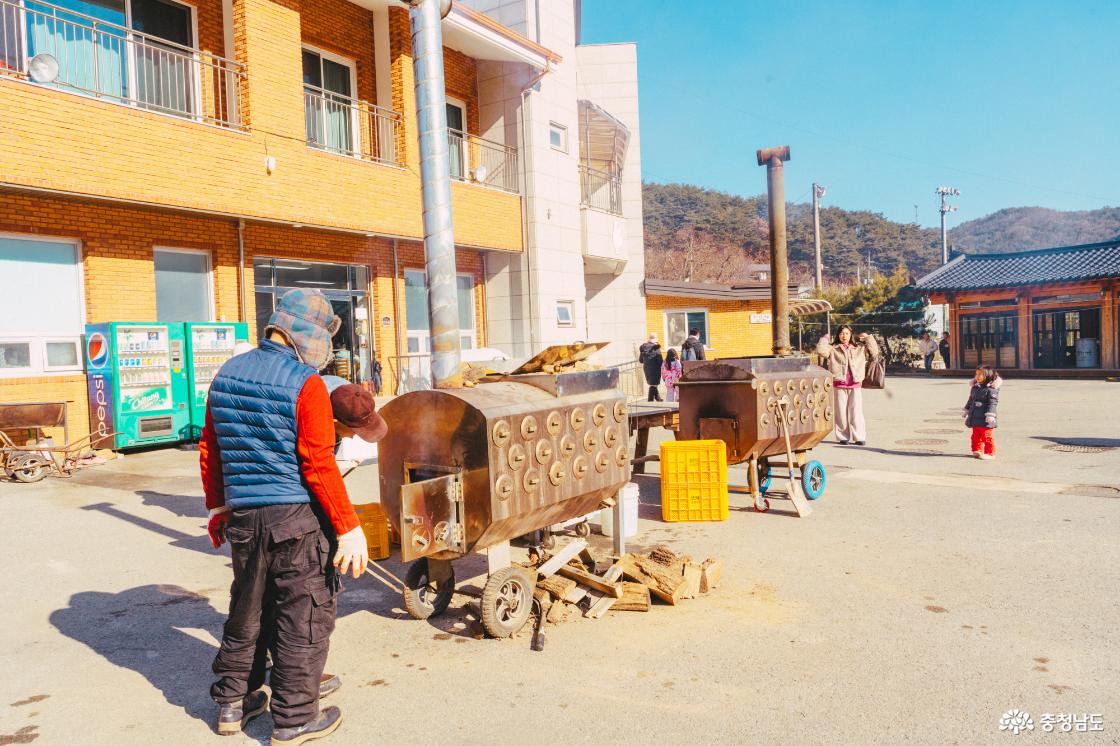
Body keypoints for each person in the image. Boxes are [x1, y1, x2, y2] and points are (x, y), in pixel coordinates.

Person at [201, 288, 369, 744]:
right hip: (294, 519)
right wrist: (349, 528)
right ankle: (295, 718)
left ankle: (234, 702)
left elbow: (211, 448)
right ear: (308, 336)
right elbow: (318, 464)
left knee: (248, 608)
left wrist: (218, 507)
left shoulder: (227, 374)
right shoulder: (305, 383)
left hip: (243, 518)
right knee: (303, 614)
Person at [816, 325, 881, 446]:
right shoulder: (833, 348)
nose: (844, 336)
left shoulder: (859, 348)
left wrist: (868, 338)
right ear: (838, 335)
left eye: (846, 333)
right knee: (840, 412)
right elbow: (821, 351)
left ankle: (859, 437)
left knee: (856, 412)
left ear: (851, 335)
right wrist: (824, 339)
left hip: (855, 384)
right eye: (841, 334)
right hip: (839, 383)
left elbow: (874, 351)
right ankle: (843, 437)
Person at [964, 365, 1001, 460]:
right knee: (975, 436)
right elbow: (970, 400)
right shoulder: (975, 387)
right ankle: (977, 450)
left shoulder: (991, 389)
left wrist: (991, 415)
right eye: (976, 374)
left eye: (980, 374)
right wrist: (967, 410)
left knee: (986, 436)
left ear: (988, 375)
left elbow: (992, 403)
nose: (977, 376)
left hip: (985, 418)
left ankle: (990, 453)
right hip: (975, 416)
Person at [638, 333, 664, 402]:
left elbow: (641, 360)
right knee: (653, 385)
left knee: (653, 384)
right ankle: (650, 400)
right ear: (656, 339)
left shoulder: (643, 347)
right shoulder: (656, 348)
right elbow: (660, 361)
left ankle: (658, 398)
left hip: (646, 369)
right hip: (655, 369)